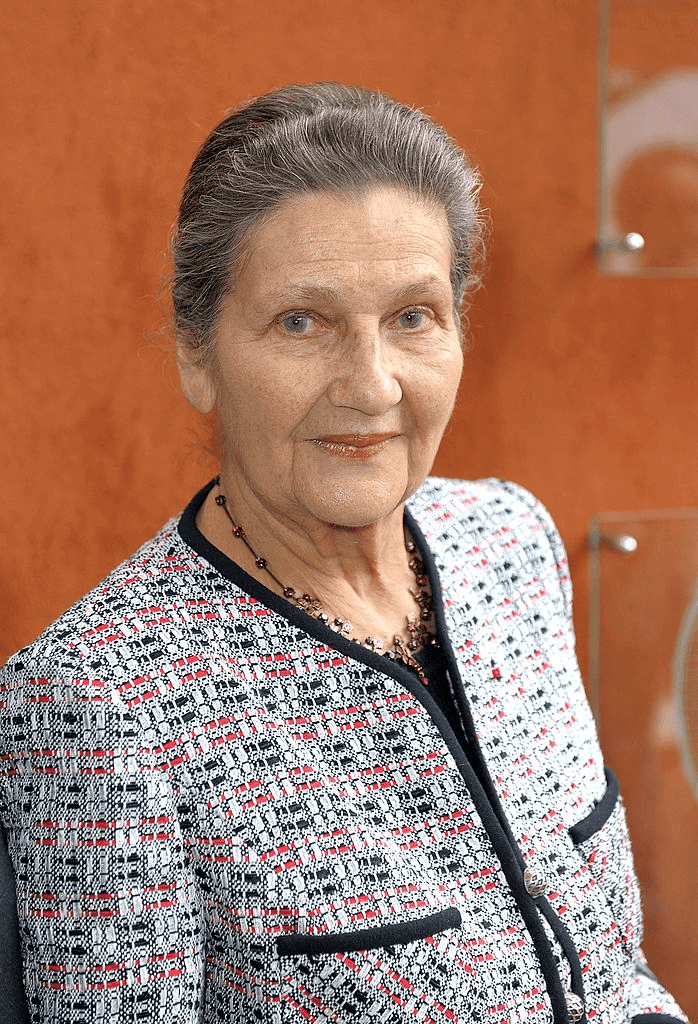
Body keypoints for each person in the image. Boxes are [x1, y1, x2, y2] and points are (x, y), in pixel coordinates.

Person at [0, 83, 689, 1024]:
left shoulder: (511, 545)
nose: (371, 387)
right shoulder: (98, 700)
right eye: (302, 322)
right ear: (198, 354)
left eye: (413, 316)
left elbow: (616, 974)